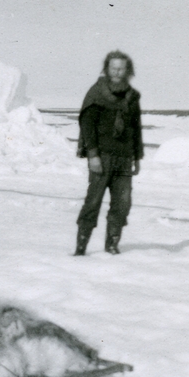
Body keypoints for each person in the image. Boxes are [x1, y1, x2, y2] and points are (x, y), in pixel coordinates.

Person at [74, 50, 144, 255]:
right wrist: (93, 155)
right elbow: (87, 125)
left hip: (124, 158)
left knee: (122, 203)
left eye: (121, 68)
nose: (117, 71)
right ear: (107, 68)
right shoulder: (96, 92)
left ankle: (112, 245)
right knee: (93, 202)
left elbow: (135, 127)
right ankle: (81, 247)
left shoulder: (132, 97)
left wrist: (137, 156)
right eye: (113, 67)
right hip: (102, 157)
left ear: (127, 70)